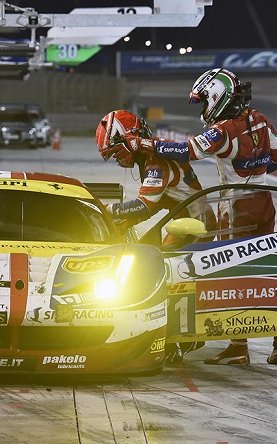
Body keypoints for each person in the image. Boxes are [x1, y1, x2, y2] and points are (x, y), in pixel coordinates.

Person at [123, 68, 277, 366]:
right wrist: (255, 169)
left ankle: (239, 348)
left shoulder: (224, 130)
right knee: (267, 268)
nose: (203, 108)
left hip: (237, 205)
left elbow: (185, 151)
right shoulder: (261, 119)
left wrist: (144, 144)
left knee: (234, 274)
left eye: (203, 101)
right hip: (266, 200)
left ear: (217, 96)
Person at [97, 109, 214, 363]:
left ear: (130, 139)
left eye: (115, 153)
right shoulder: (149, 158)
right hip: (183, 220)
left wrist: (106, 211)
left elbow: (143, 206)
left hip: (196, 227)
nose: (116, 161)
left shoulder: (155, 162)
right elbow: (156, 204)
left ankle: (181, 340)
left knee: (165, 277)